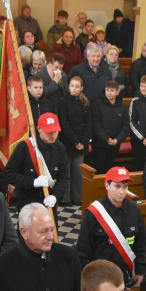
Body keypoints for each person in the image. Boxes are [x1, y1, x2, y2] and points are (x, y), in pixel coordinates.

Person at [77, 166, 146, 284]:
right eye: (117, 186)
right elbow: (83, 250)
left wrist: (140, 271)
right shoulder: (94, 213)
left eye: (125, 187)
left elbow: (141, 243)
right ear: (107, 186)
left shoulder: (134, 210)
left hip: (125, 274)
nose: (122, 191)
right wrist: (87, 277)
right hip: (99, 276)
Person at [2, 113, 70, 218]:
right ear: (39, 129)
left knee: (50, 233)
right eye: (49, 132)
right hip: (28, 202)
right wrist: (32, 182)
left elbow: (64, 177)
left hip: (49, 201)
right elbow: (9, 174)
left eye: (55, 131)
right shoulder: (25, 147)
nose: (53, 135)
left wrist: (56, 197)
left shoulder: (61, 148)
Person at [57, 76, 91, 205]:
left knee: (77, 172)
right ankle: (66, 198)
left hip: (81, 143)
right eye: (72, 86)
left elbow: (89, 124)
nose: (74, 88)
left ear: (81, 88)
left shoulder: (85, 103)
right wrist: (76, 142)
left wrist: (83, 141)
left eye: (77, 86)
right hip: (68, 142)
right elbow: (64, 125)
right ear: (69, 86)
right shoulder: (63, 103)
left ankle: (78, 198)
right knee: (66, 172)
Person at [90, 80, 129, 172]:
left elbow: (126, 125)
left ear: (117, 92)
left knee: (110, 169)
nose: (109, 93)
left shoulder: (122, 107)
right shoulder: (98, 104)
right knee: (99, 169)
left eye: (112, 91)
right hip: (99, 144)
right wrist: (106, 139)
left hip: (114, 145)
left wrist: (118, 139)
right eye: (107, 90)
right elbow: (96, 123)